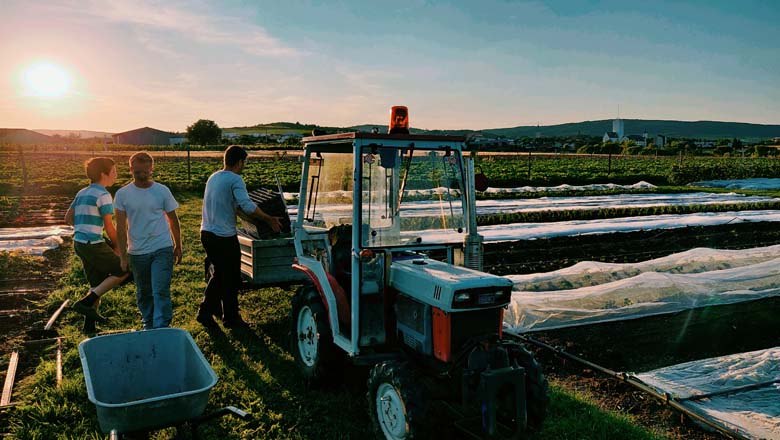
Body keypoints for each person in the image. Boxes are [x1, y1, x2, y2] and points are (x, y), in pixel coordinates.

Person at [197, 145, 282, 328]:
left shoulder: (214, 177)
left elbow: (231, 205)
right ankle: (207, 312)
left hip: (207, 233)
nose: (244, 165)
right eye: (244, 162)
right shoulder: (235, 179)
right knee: (227, 276)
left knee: (224, 275)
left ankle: (227, 315)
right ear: (240, 162)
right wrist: (269, 219)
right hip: (223, 236)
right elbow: (248, 206)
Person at [115, 152, 182, 330]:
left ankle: (161, 327)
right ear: (131, 169)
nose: (142, 176)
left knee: (160, 290)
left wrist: (178, 245)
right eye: (137, 172)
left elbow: (173, 220)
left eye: (145, 172)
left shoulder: (162, 190)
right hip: (137, 251)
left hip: (162, 247)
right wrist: (123, 256)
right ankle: (148, 323)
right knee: (144, 291)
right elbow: (120, 228)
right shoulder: (122, 194)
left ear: (151, 169)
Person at [66, 157, 130, 332]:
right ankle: (85, 302)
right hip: (93, 243)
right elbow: (109, 226)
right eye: (114, 172)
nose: (116, 175)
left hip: (79, 242)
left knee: (97, 283)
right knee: (124, 270)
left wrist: (84, 227)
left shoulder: (82, 192)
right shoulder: (103, 195)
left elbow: (68, 217)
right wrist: (119, 248)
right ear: (103, 174)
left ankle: (89, 326)